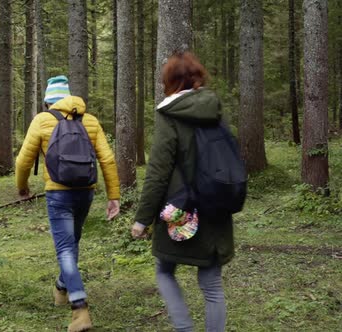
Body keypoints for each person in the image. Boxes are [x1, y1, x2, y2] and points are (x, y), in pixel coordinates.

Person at [131, 52, 234, 332]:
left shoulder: (170, 115)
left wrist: (142, 220)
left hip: (181, 209)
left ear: (169, 81)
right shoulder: (214, 110)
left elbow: (157, 172)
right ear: (198, 77)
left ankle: (184, 329)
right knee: (211, 285)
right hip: (216, 205)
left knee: (164, 271)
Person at [15, 75, 120, 332]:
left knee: (65, 248)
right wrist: (113, 196)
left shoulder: (42, 120)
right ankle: (62, 287)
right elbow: (107, 159)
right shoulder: (91, 121)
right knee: (71, 245)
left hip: (58, 193)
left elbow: (22, 162)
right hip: (85, 192)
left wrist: (22, 187)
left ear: (49, 101)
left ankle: (80, 310)